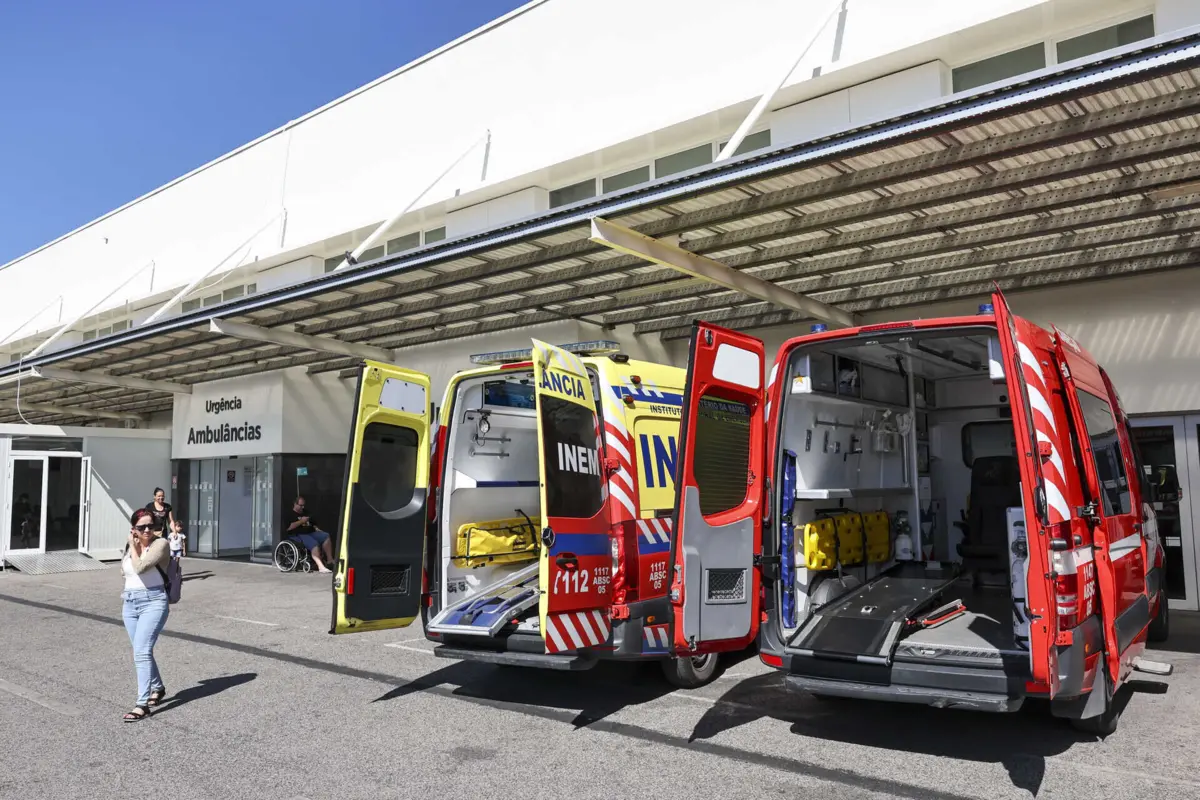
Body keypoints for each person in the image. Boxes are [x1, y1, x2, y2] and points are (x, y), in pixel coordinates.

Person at [121, 509, 171, 722]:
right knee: (142, 650)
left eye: (151, 525)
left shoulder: (160, 544)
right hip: (130, 603)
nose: (148, 530)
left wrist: (133, 545)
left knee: (141, 652)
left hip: (153, 601)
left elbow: (140, 567)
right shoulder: (130, 546)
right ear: (134, 529)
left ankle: (142, 704)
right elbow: (124, 570)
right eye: (142, 527)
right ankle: (157, 688)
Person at [286, 496, 334, 573]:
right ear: (295, 504)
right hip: (298, 534)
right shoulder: (289, 514)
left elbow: (313, 523)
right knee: (314, 544)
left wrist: (317, 529)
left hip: (311, 532)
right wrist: (301, 521)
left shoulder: (306, 512)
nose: (302, 507)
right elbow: (289, 528)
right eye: (300, 505)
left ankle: (330, 560)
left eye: (303, 505)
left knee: (326, 536)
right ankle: (321, 567)